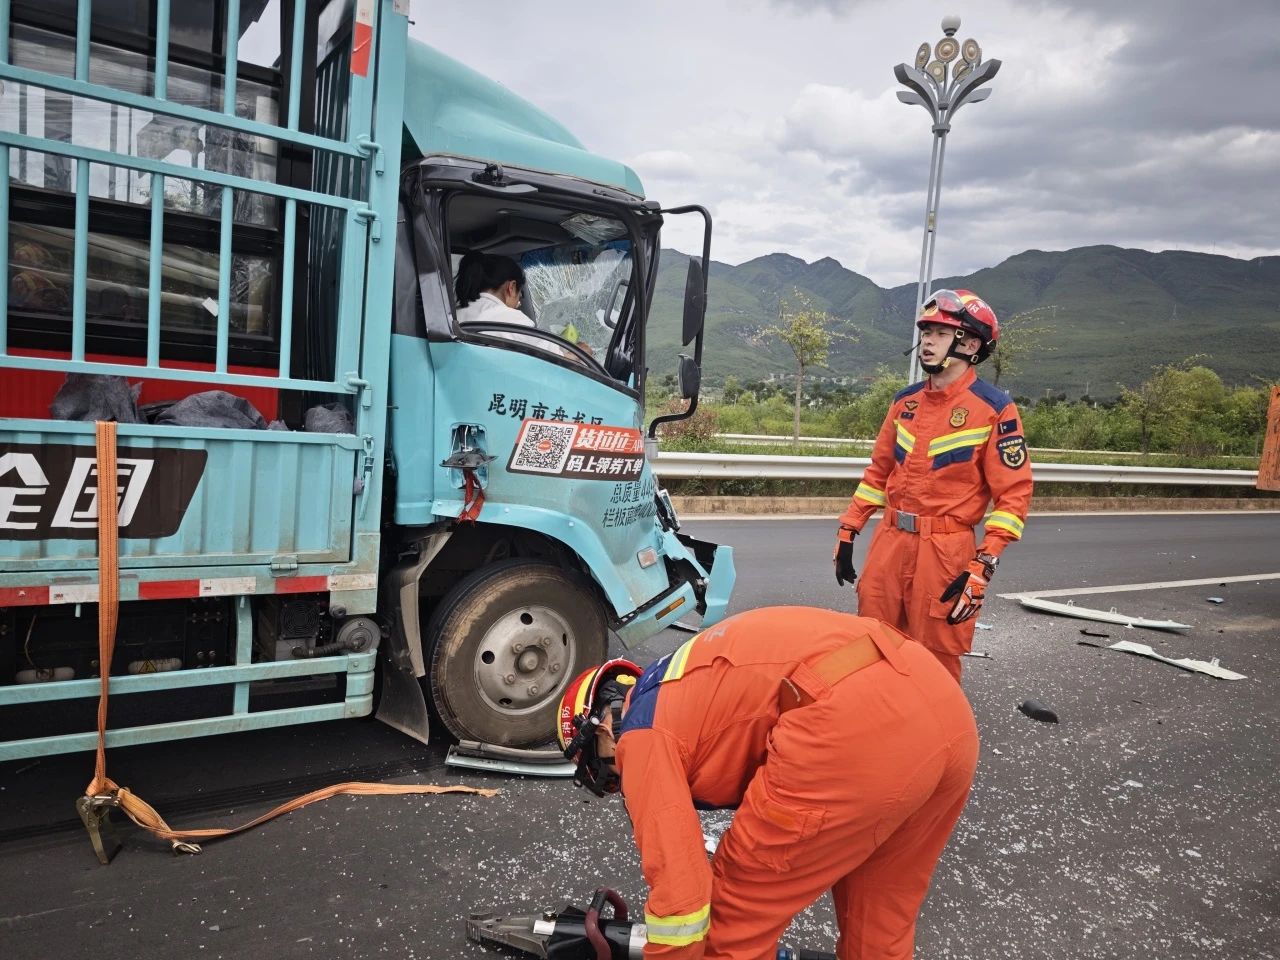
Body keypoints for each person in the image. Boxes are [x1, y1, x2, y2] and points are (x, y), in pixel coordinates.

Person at [557, 607, 979, 960]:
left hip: (852, 723)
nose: (617, 781)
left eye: (603, 770)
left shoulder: (640, 734)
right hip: (941, 705)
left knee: (734, 919)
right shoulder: (678, 684)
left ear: (601, 728)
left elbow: (682, 907)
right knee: (879, 921)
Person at [832, 289, 1033, 682]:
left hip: (945, 551)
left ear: (970, 344)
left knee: (935, 658)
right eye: (926, 332)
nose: (927, 341)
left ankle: (935, 722)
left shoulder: (994, 410)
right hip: (890, 542)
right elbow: (878, 473)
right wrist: (849, 528)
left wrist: (984, 564)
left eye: (940, 333)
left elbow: (1013, 496)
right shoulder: (904, 402)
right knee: (873, 645)